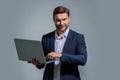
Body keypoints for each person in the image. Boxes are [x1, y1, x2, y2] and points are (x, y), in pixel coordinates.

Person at [28, 6, 87, 80]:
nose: (61, 23)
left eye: (64, 19)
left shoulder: (78, 38)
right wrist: (38, 63)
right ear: (54, 20)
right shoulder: (46, 38)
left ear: (69, 18)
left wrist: (60, 55)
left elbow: (82, 59)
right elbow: (42, 63)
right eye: (58, 20)